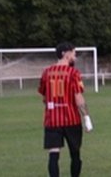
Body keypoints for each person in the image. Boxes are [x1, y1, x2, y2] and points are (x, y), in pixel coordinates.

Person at [40, 42, 91, 177]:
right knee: (75, 154)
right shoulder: (73, 73)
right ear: (65, 54)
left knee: (53, 154)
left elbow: (44, 98)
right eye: (74, 54)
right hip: (71, 120)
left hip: (52, 120)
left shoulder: (47, 72)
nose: (75, 57)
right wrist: (86, 117)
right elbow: (78, 98)